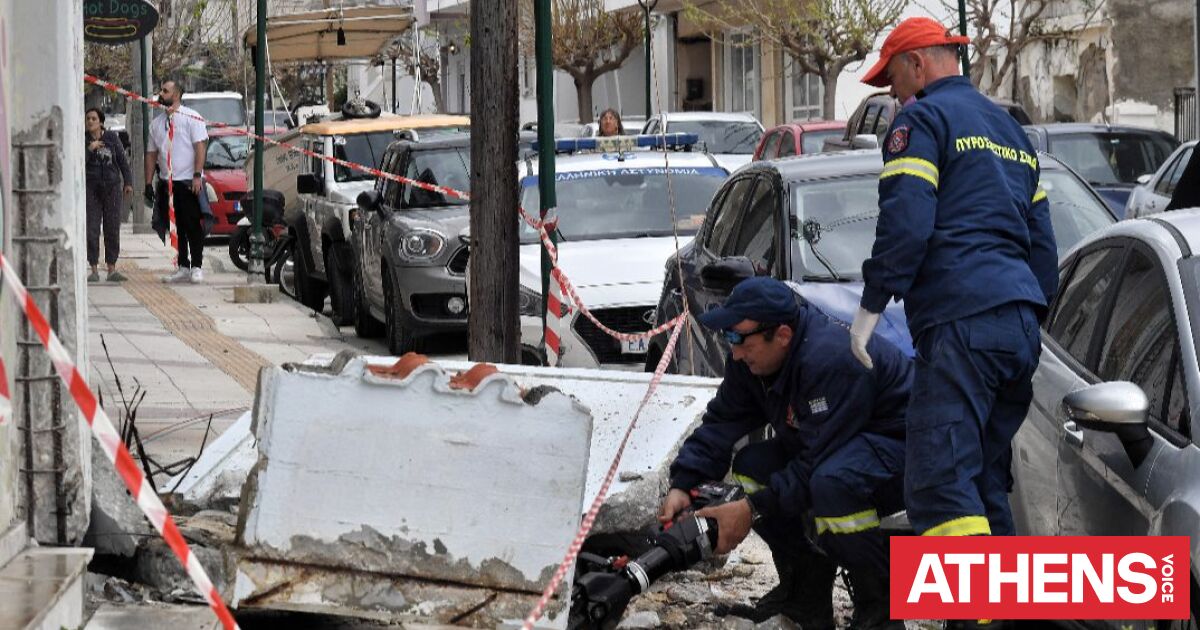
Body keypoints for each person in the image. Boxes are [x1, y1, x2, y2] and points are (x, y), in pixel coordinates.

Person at [850, 16, 1057, 548]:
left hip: (961, 326)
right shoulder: (1009, 129)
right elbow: (1042, 244)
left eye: (891, 79)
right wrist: (1027, 315)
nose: (892, 93)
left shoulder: (921, 122)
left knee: (940, 485)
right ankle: (1001, 611)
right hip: (1017, 329)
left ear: (916, 65)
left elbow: (907, 224)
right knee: (984, 481)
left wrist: (871, 306)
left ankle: (975, 616)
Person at [660, 277, 910, 630]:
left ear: (782, 335)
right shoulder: (752, 359)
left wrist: (749, 510)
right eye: (727, 338)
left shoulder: (828, 360)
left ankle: (880, 608)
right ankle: (806, 594)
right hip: (837, 447)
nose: (734, 352)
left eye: (739, 339)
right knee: (752, 467)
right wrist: (683, 484)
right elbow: (723, 421)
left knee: (831, 485)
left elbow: (817, 461)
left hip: (899, 450)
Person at [146, 79, 209, 283]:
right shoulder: (156, 124)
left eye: (165, 91)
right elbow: (151, 154)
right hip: (167, 183)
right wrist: (148, 183)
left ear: (176, 95)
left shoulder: (192, 117)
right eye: (161, 91)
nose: (160, 94)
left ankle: (197, 265)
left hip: (187, 182)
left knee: (192, 225)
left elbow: (200, 147)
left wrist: (197, 176)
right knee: (175, 226)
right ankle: (183, 264)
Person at [84, 107, 133, 283]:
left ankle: (112, 268)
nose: (90, 122)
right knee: (92, 228)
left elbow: (121, 160)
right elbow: (79, 162)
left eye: (93, 119)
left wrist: (128, 182)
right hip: (91, 188)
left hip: (112, 188)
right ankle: (94, 268)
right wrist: (90, 148)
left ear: (101, 122)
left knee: (112, 228)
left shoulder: (111, 138)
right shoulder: (83, 140)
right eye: (88, 119)